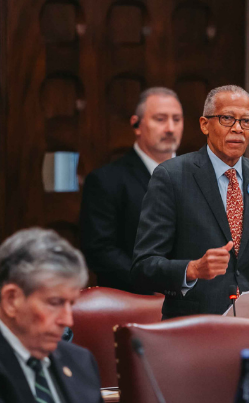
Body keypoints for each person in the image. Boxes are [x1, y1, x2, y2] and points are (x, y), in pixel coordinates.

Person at [0, 227, 211, 403]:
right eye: (54, 303)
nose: (67, 320)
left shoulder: (79, 362)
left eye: (70, 304)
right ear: (11, 300)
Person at [130, 85, 249, 322]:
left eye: (246, 121)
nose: (238, 128)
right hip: (194, 328)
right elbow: (143, 267)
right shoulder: (172, 177)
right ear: (205, 124)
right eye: (227, 118)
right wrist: (193, 269)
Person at [78, 87, 184, 290]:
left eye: (177, 119)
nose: (170, 128)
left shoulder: (199, 175)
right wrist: (157, 283)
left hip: (197, 303)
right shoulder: (106, 180)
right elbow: (100, 251)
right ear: (136, 125)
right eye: (160, 119)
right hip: (134, 301)